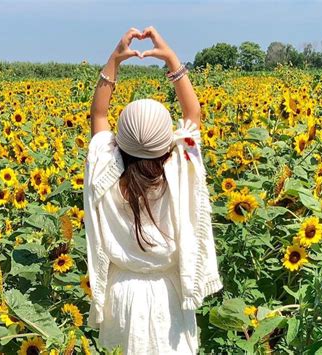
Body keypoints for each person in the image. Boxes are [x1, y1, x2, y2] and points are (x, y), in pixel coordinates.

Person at [83, 26, 223, 355]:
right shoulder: (181, 167)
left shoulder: (105, 168)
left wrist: (114, 61)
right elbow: (193, 113)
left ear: (120, 141)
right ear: (167, 144)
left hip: (121, 295)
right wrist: (172, 59)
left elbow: (99, 114)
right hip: (170, 295)